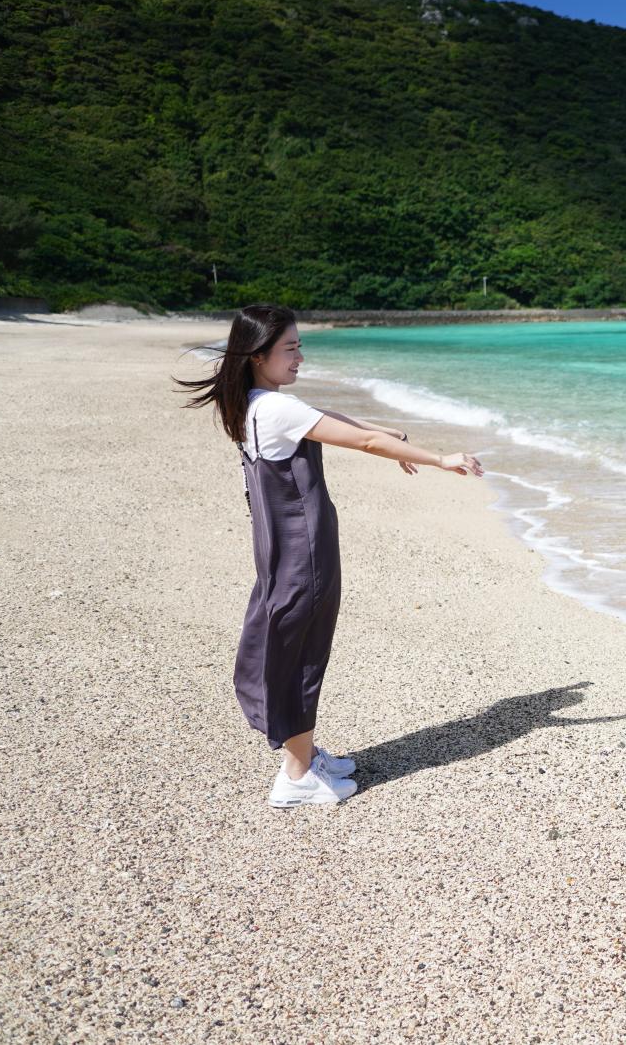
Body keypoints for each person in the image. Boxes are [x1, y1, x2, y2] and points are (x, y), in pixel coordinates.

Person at [176, 304, 483, 807]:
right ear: (258, 356)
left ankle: (304, 753)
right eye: (290, 347)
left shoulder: (253, 404)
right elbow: (359, 440)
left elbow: (331, 421)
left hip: (279, 547)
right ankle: (296, 778)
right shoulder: (276, 409)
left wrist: (398, 438)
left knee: (293, 644)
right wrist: (440, 459)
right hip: (305, 551)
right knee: (302, 652)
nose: (300, 356)